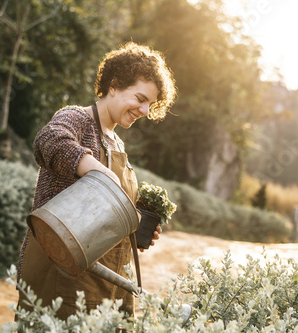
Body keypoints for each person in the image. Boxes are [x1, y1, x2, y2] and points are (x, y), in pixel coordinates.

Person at [16, 41, 177, 322]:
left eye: (150, 105)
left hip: (108, 282)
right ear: (113, 86)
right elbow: (49, 140)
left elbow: (104, 216)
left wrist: (135, 229)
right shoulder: (77, 119)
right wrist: (100, 172)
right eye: (139, 98)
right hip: (62, 276)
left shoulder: (117, 143)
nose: (144, 110)